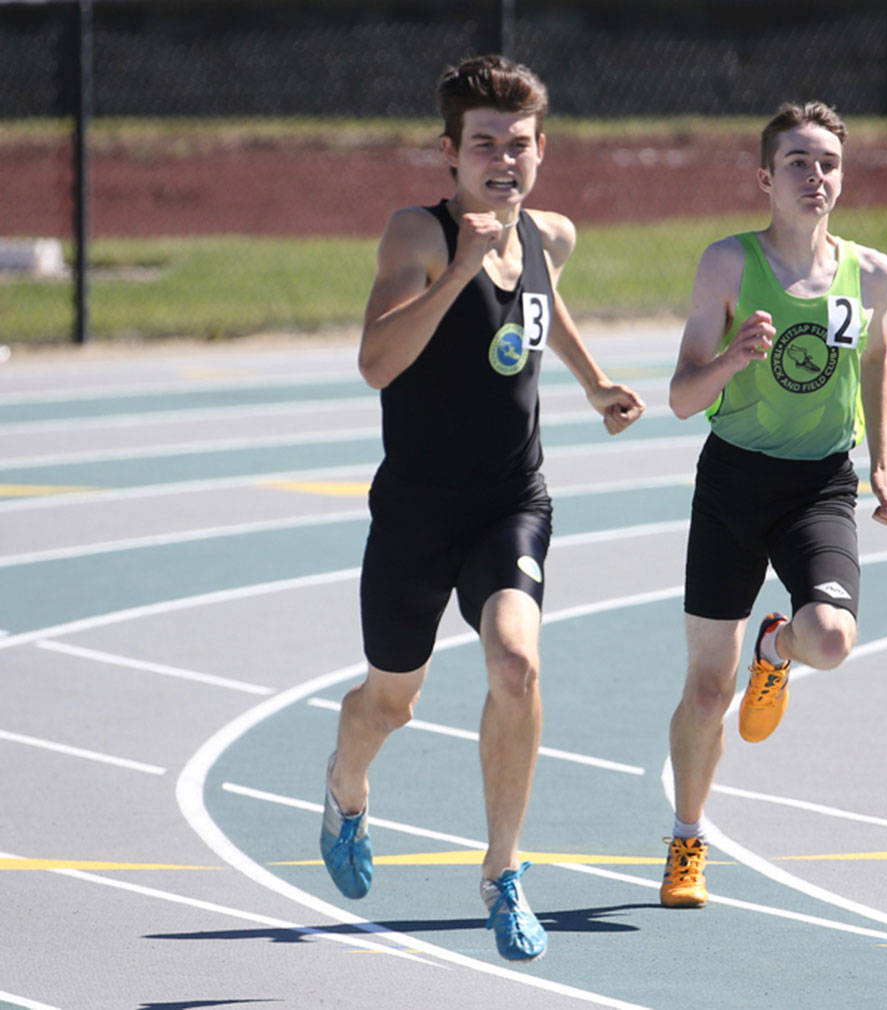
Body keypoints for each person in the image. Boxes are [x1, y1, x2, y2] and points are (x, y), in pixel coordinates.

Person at [319, 54, 645, 962]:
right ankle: (347, 790)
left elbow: (547, 305)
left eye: (520, 143)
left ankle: (503, 873)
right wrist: (461, 270)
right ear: (451, 155)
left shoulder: (550, 235)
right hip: (417, 512)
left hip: (513, 499)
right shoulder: (417, 238)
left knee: (516, 665)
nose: (504, 158)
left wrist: (593, 383)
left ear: (543, 150)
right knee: (390, 705)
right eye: (485, 145)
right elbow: (376, 364)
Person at [659, 101, 887, 908]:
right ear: (766, 177)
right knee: (704, 693)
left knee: (830, 639)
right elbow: (682, 399)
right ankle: (688, 843)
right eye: (798, 162)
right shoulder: (728, 265)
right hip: (734, 481)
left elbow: (876, 357)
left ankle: (779, 651)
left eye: (828, 162)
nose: (815, 176)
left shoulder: (871, 273)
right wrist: (733, 357)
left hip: (820, 485)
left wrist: (884, 464)